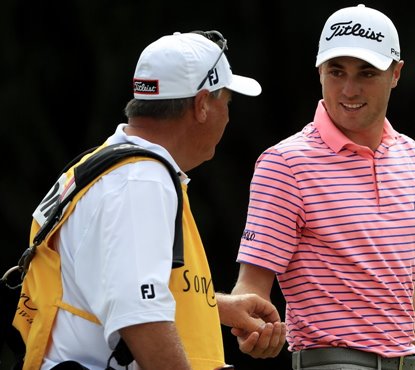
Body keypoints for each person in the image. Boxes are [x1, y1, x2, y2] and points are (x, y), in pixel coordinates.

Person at [11, 30, 285, 370]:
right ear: (202, 105)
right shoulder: (143, 181)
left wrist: (217, 307)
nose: (228, 116)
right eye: (226, 101)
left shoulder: (105, 167)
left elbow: (112, 287)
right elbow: (140, 316)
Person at [231, 4, 415, 370]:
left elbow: (408, 285)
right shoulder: (286, 163)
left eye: (366, 73)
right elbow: (252, 285)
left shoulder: (409, 156)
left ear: (396, 73)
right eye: (336, 72)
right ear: (319, 70)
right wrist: (251, 330)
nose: (349, 89)